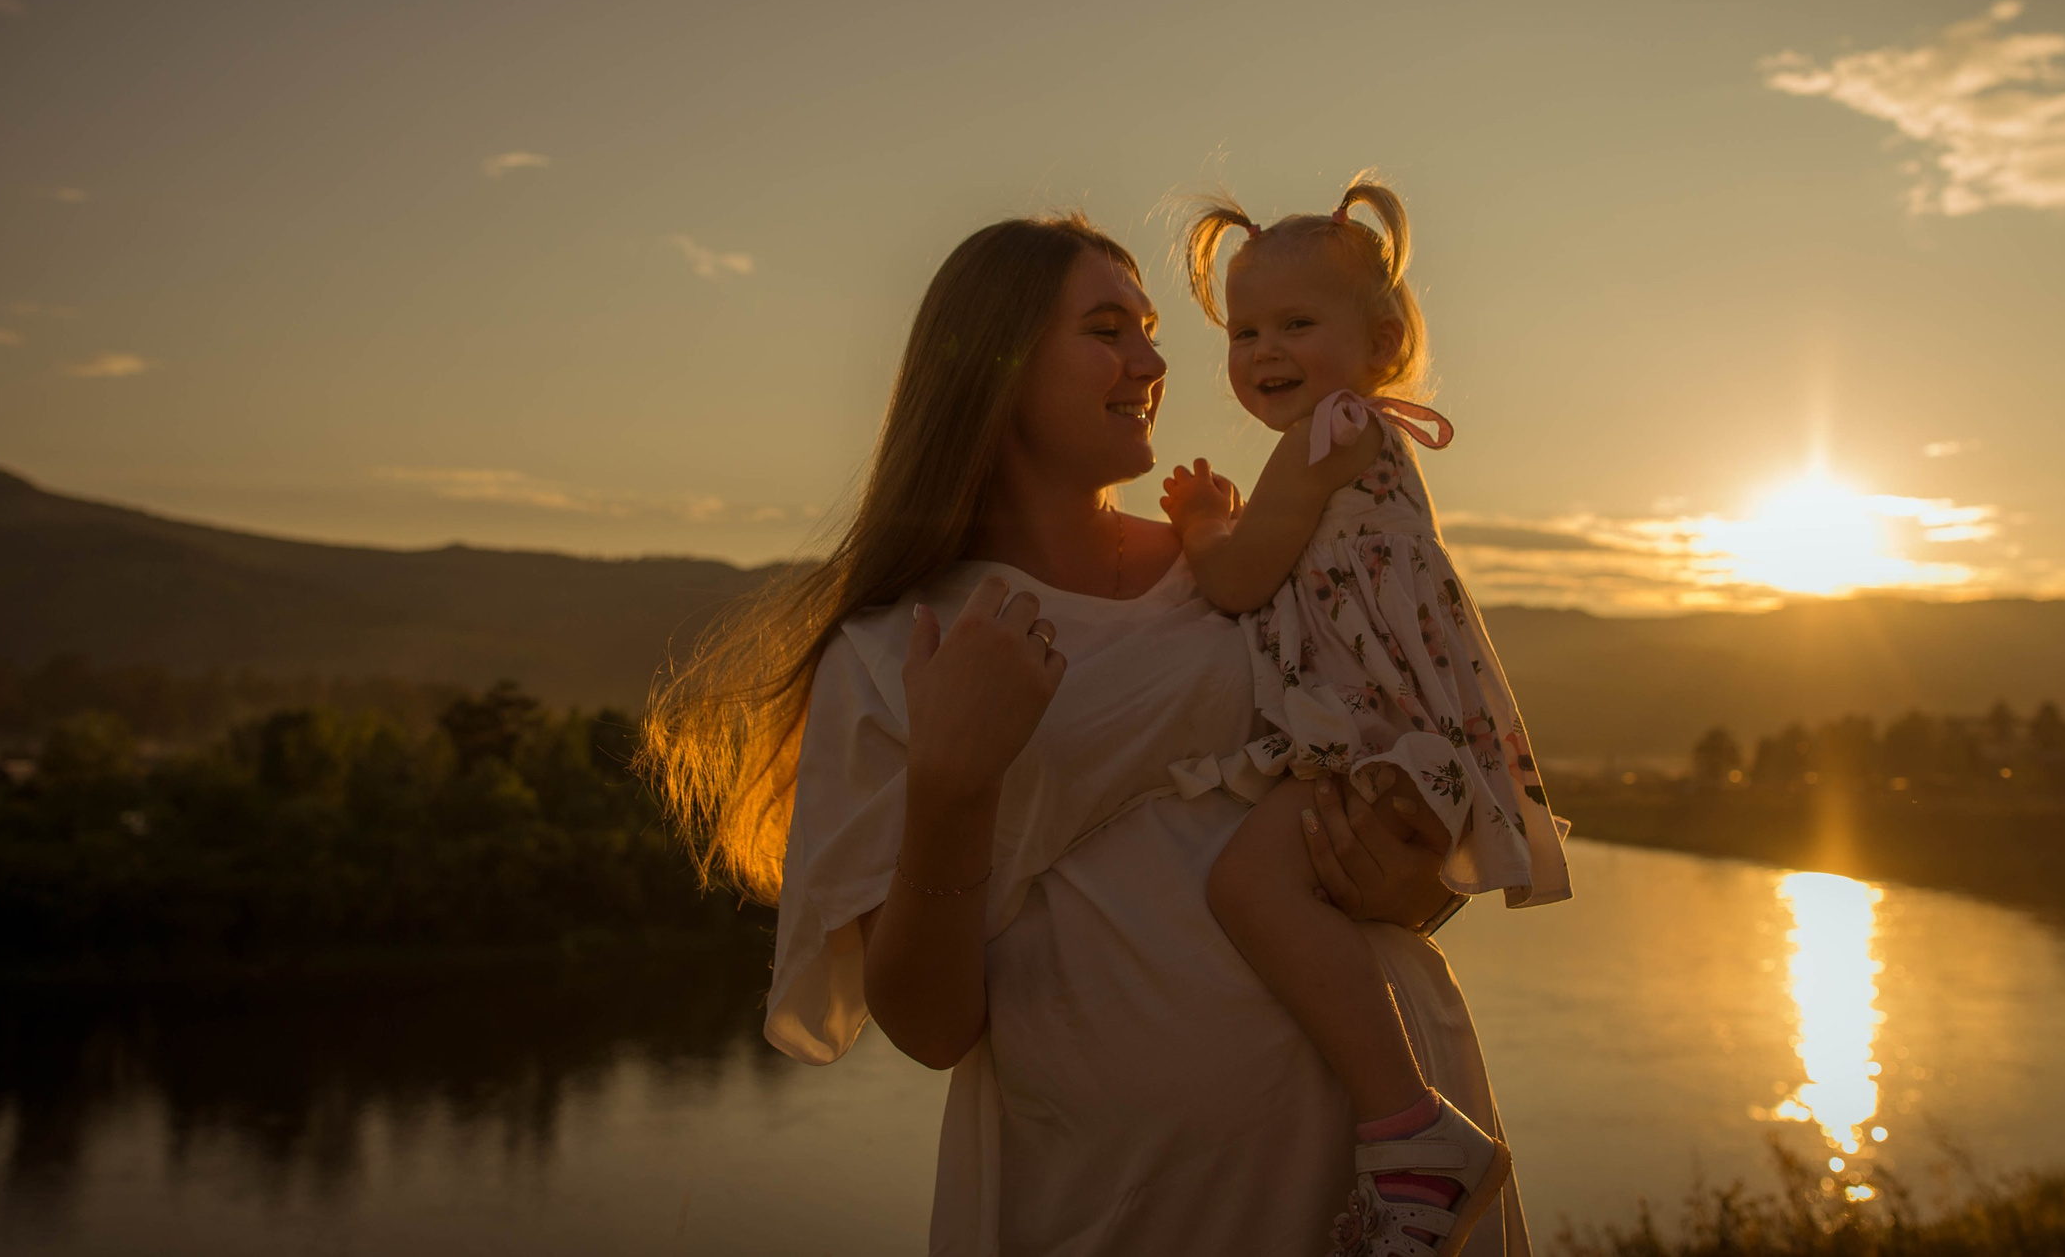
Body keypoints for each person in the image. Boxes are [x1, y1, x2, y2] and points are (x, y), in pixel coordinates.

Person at [643, 214, 1530, 1255]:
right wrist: (950, 780)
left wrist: (1410, 883)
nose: (1155, 362)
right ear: (993, 366)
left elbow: (1395, 787)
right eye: (1110, 329)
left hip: (1394, 1188)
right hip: (1120, 1198)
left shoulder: (1244, 562)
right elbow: (929, 1028)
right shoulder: (895, 653)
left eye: (1151, 330)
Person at [1161, 174, 1570, 1256]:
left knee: (1247, 882)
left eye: (1298, 322)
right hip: (1396, 735)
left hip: (1372, 736)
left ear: (1382, 339)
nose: (1263, 349)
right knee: (1310, 895)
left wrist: (1206, 523)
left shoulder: (1325, 437)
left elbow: (1242, 578)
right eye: (1244, 330)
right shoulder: (1350, 439)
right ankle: (1379, 1144)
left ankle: (1411, 1130)